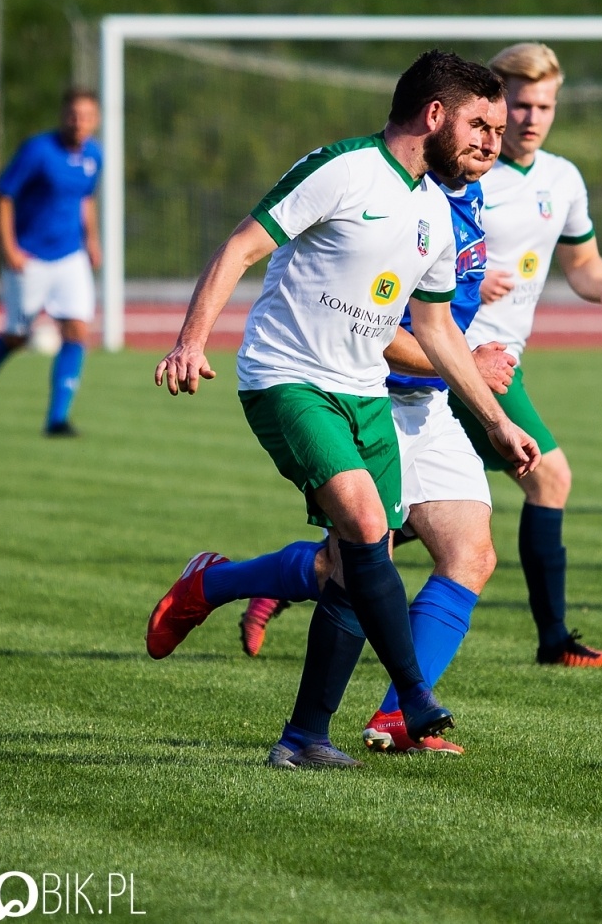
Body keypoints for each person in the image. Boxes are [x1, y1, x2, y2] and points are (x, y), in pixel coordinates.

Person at [146, 51, 539, 770]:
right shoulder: (343, 169)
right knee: (362, 525)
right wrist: (190, 341)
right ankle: (413, 698)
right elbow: (241, 247)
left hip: (365, 393)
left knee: (361, 564)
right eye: (481, 126)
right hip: (288, 378)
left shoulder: (435, 212)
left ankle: (304, 737)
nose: (493, 141)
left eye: (497, 128)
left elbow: (436, 331)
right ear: (435, 115)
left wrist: (496, 420)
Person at [463, 41, 602, 668]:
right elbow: (414, 249)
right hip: (463, 356)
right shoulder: (465, 170)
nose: (532, 118)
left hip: (507, 356)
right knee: (550, 475)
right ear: (496, 103)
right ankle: (554, 641)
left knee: (420, 511)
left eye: (545, 106)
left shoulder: (562, 178)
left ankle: (285, 579)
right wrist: (466, 276)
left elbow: (581, 260)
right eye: (520, 104)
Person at [0, 89, 102, 437]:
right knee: (17, 337)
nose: (79, 122)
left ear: (96, 120)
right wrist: (9, 248)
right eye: (73, 115)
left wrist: (92, 240)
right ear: (63, 115)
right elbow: (3, 195)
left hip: (70, 256)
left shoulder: (94, 155)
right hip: (30, 257)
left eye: (86, 116)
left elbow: (85, 198)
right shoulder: (38, 151)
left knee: (77, 330)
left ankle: (57, 420)